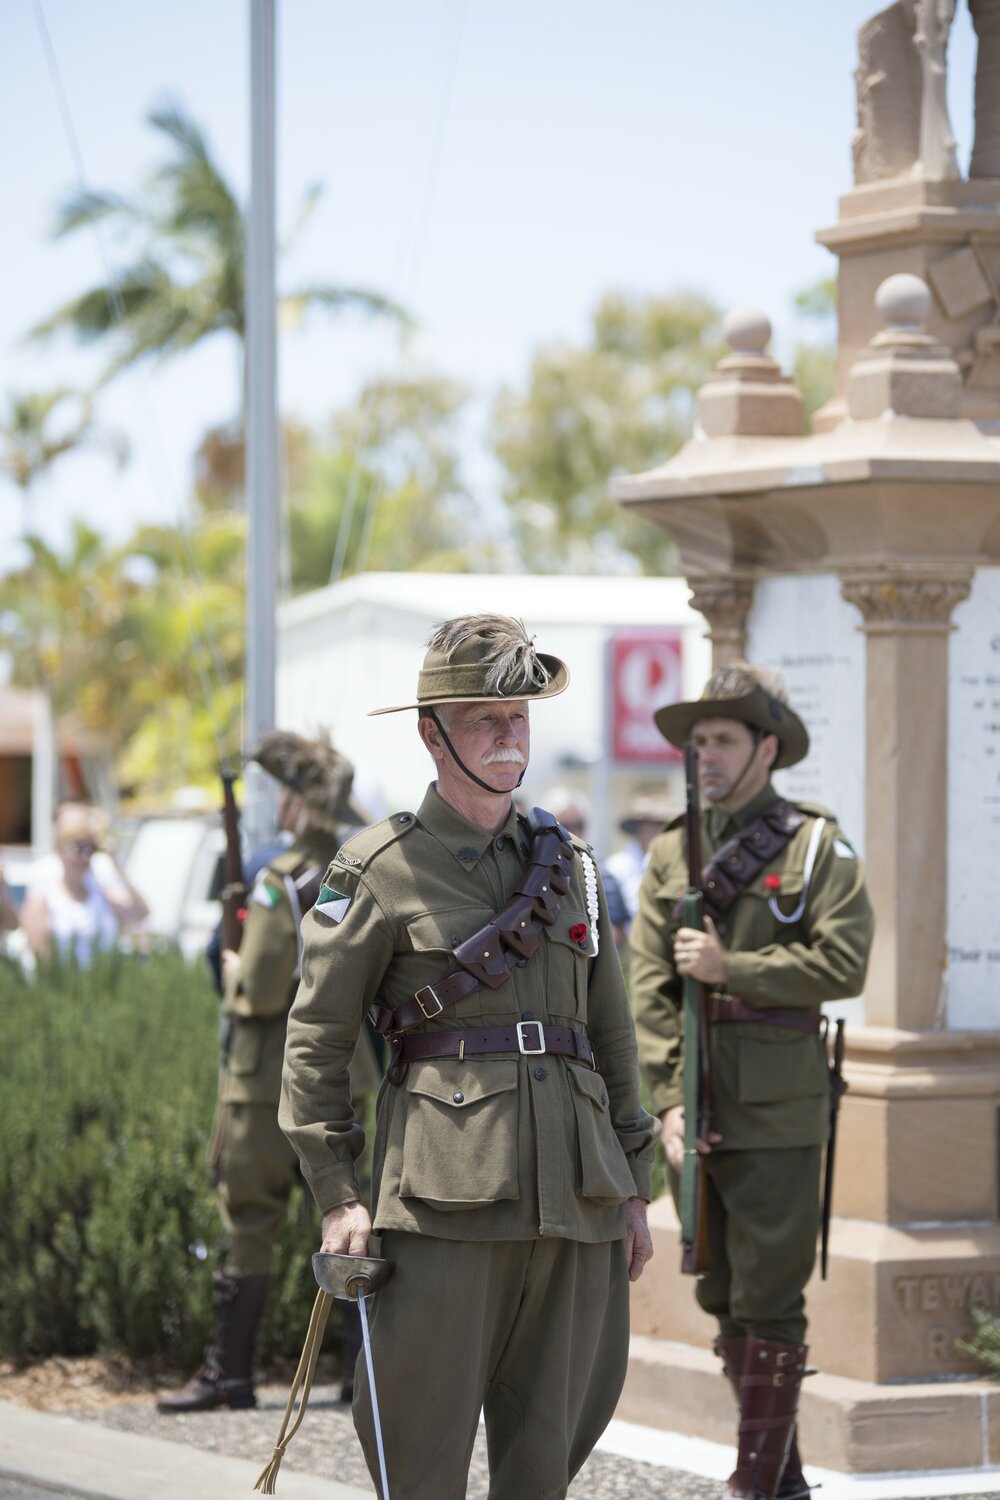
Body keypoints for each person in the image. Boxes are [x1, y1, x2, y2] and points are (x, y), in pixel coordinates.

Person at [280, 614, 657, 1500]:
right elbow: (316, 1044)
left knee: (545, 1464)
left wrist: (635, 1182)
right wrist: (338, 1193)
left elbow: (612, 1034)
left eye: (518, 717)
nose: (508, 734)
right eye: (485, 716)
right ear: (431, 732)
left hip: (577, 1198)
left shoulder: (572, 868)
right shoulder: (377, 869)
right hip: (447, 1203)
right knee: (422, 1459)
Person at [628, 663, 874, 1500]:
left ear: (766, 748)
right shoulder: (670, 852)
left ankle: (752, 1483)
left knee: (772, 1296)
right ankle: (785, 1480)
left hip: (776, 1107)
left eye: (724, 739)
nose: (706, 754)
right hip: (692, 1106)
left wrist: (737, 966)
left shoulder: (814, 846)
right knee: (725, 1296)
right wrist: (664, 1097)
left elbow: (845, 960)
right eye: (697, 741)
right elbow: (648, 990)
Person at [157, 732, 382, 1414]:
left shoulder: (279, 876)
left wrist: (230, 972)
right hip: (345, 1070)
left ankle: (230, 1374)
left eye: (283, 791)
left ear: (299, 802)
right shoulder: (353, 872)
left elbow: (255, 987)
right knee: (350, 1215)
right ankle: (360, 1373)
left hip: (265, 1076)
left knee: (248, 1215)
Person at [20, 803, 148, 964]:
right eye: (79, 847)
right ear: (59, 849)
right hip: (64, 985)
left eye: (91, 848)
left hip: (103, 983)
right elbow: (39, 954)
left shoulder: (102, 893)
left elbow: (140, 914)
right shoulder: (44, 894)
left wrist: (117, 865)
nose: (86, 855)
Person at [542, 784, 631, 948]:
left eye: (579, 825)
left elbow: (616, 930)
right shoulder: (535, 868)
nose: (573, 832)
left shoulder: (598, 871)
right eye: (565, 825)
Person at [605, 785, 675, 925]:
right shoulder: (616, 867)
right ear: (639, 827)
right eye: (652, 824)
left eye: (663, 825)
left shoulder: (676, 862)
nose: (659, 831)